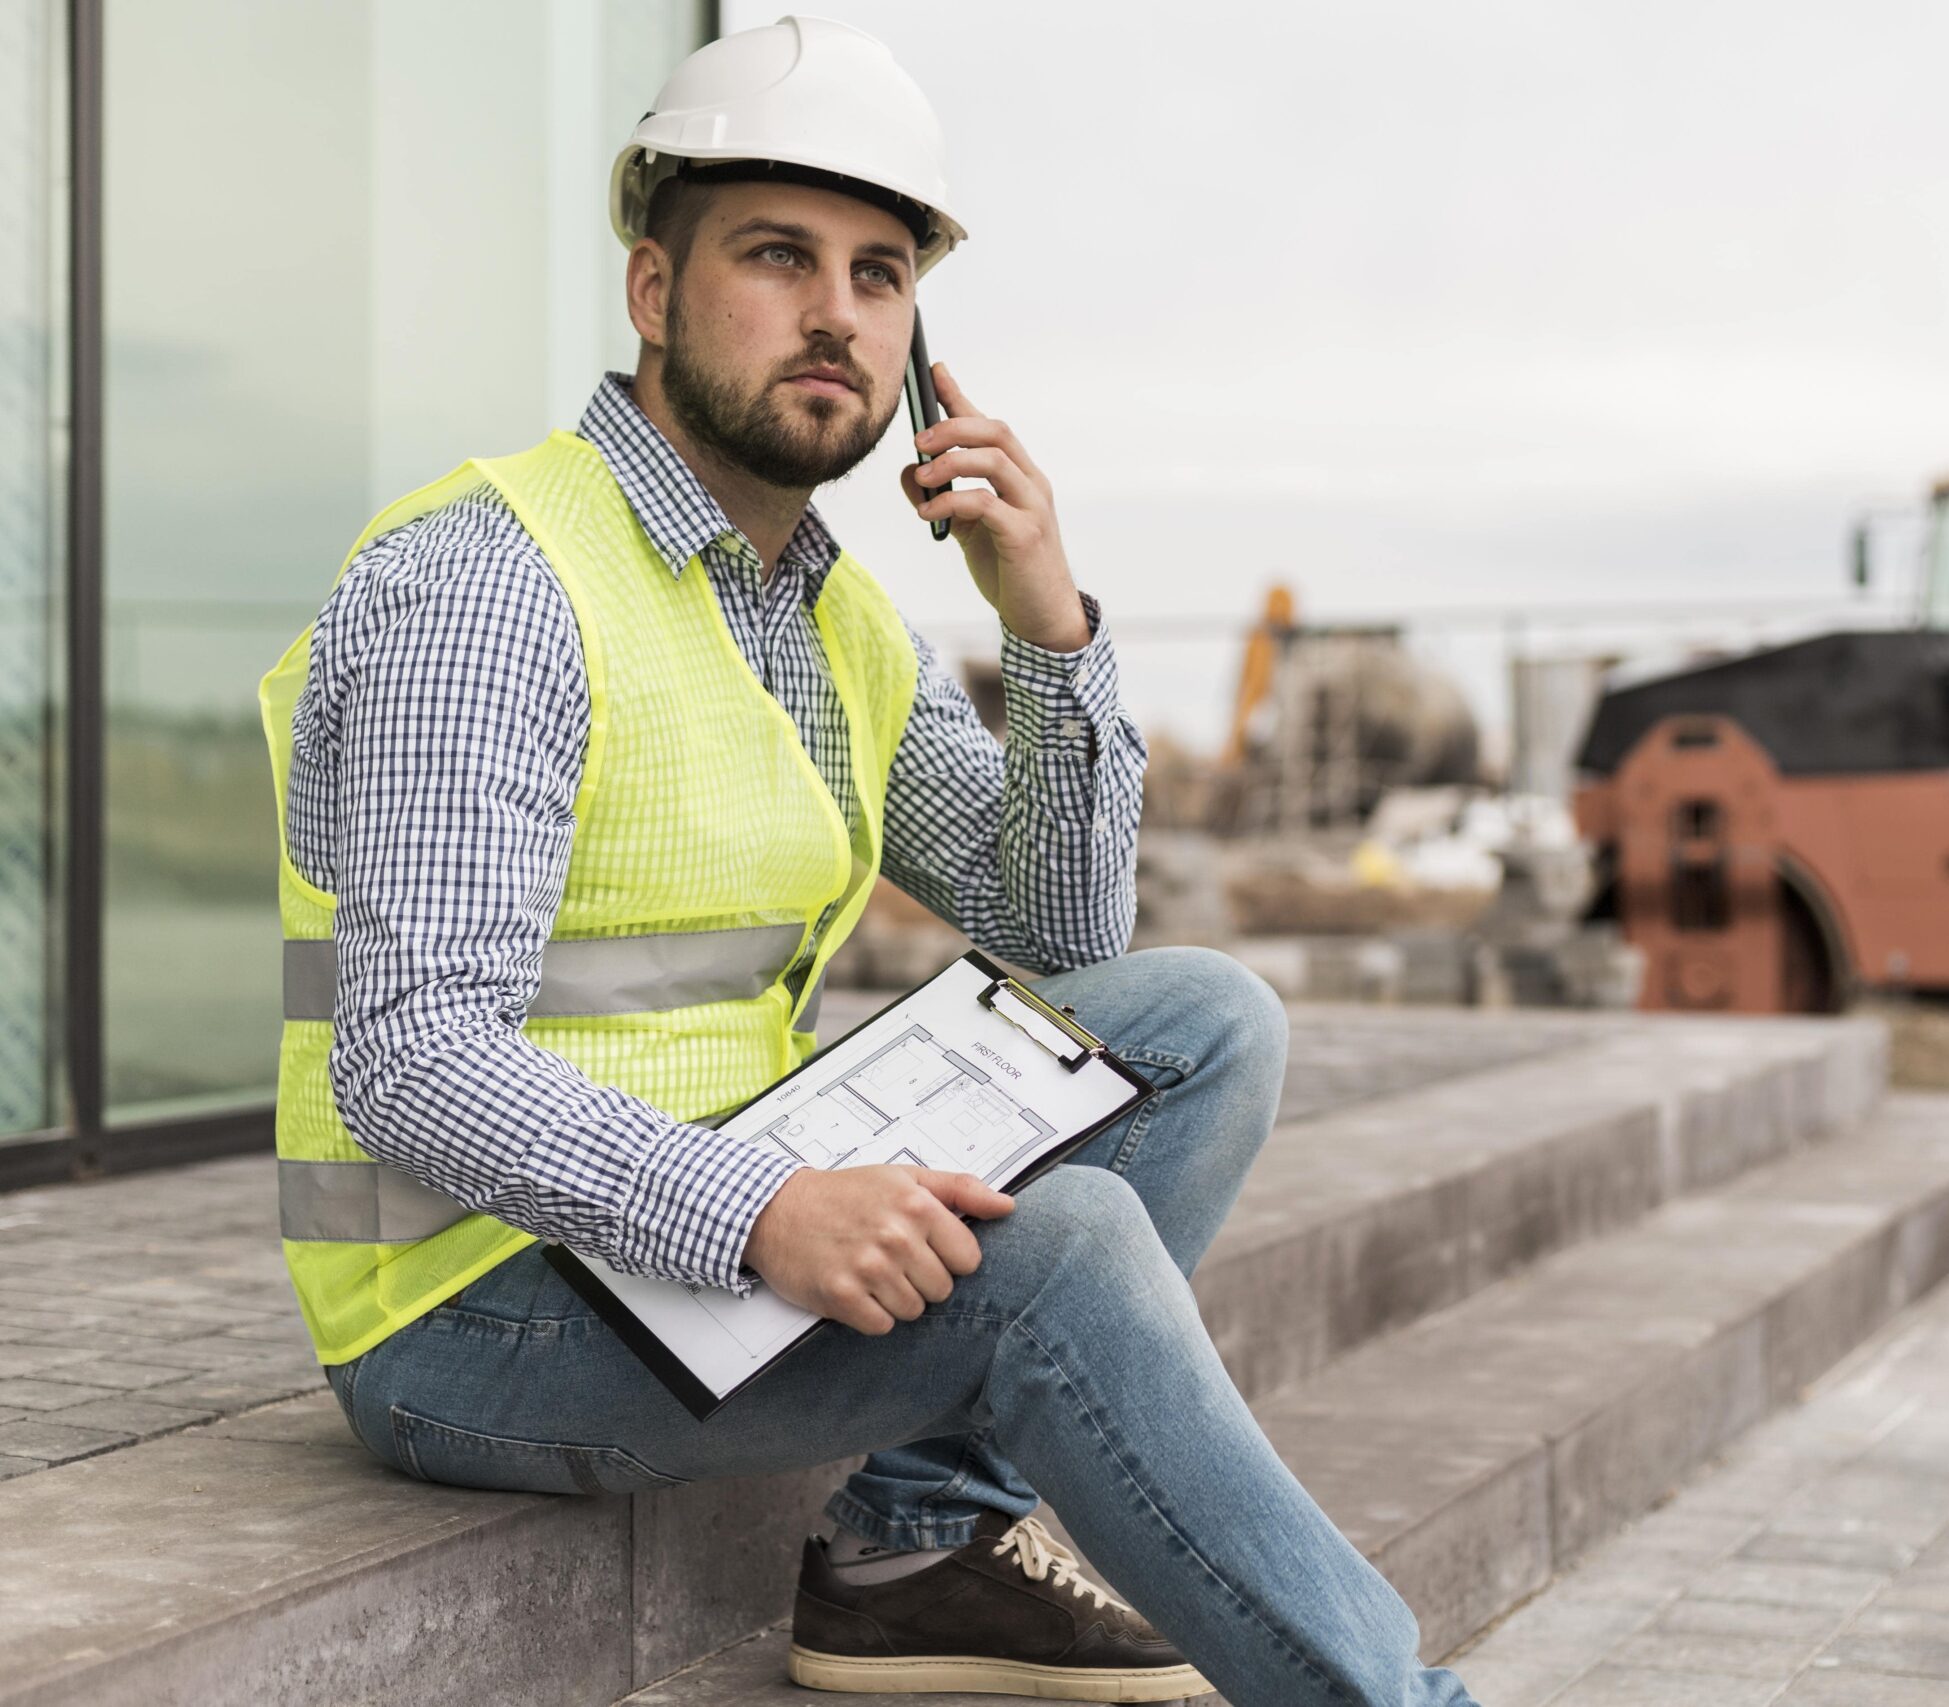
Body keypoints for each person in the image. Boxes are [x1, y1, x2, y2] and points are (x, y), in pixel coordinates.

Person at [258, 17, 1478, 1706]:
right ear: (652, 289)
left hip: (696, 1241)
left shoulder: (832, 616)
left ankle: (911, 1549)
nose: (837, 312)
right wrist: (758, 1207)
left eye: (881, 273)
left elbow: (1055, 933)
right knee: (1063, 1255)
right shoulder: (492, 587)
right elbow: (411, 1060)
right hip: (469, 1302)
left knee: (1203, 1017)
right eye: (778, 256)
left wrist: (1047, 628)